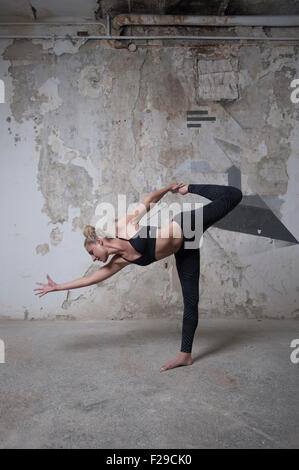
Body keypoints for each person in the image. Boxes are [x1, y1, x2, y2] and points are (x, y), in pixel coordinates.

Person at [34, 182, 243, 371]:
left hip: (186, 225)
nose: (93, 259)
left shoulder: (123, 227)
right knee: (191, 302)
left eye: (92, 253)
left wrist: (172, 188)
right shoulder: (119, 260)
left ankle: (191, 187)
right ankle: (185, 355)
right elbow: (91, 278)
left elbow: (149, 201)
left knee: (233, 195)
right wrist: (58, 287)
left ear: (98, 241)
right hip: (185, 248)